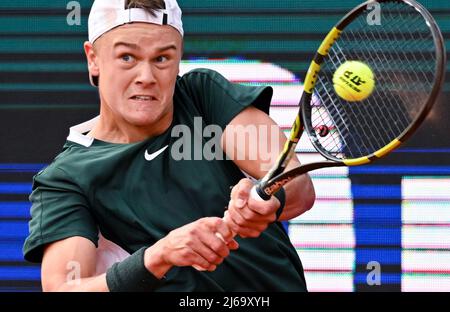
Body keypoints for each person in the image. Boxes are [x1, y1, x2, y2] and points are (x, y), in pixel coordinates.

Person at [23, 0, 315, 292]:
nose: (146, 78)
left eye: (162, 58)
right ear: (93, 59)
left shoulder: (203, 97)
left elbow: (297, 184)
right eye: (127, 57)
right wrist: (157, 256)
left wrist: (268, 201)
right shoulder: (65, 178)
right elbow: (64, 288)